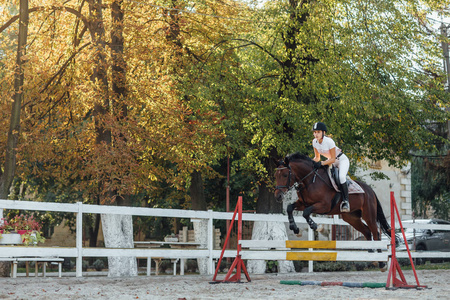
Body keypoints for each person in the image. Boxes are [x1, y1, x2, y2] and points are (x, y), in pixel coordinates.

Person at [311, 122, 350, 212]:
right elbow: (317, 158)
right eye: (315, 132)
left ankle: (346, 201)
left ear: (323, 133)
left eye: (318, 132)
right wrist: (310, 163)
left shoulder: (329, 141)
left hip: (341, 160)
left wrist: (321, 163)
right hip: (330, 162)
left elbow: (332, 159)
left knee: (341, 177)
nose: (316, 134)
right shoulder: (314, 142)